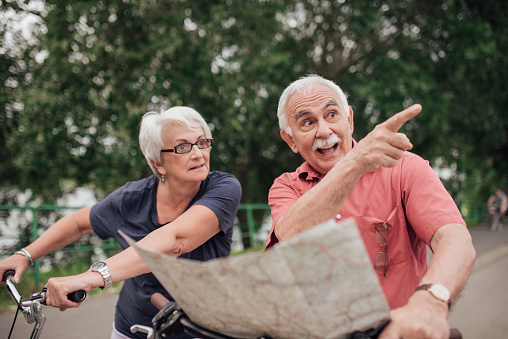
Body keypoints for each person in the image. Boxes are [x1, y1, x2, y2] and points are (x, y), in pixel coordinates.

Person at [0, 106, 242, 339]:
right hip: (134, 327)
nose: (198, 153)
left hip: (202, 328)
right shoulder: (131, 199)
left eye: (202, 142)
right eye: (182, 147)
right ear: (157, 163)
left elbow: (177, 239)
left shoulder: (223, 189)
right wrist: (24, 255)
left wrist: (89, 278)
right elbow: (79, 223)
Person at [265, 75, 476, 339]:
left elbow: (456, 240)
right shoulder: (286, 188)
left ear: (350, 120)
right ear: (291, 140)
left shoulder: (404, 168)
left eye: (332, 114)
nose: (323, 131)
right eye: (308, 122)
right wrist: (355, 163)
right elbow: (290, 236)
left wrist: (430, 302)